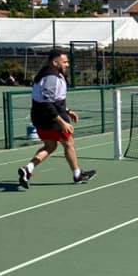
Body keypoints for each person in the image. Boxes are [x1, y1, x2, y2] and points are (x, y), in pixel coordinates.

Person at [18, 49, 96, 188]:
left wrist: (68, 110)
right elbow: (47, 103)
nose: (67, 64)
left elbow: (53, 100)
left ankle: (28, 169)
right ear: (55, 62)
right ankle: (77, 175)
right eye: (65, 62)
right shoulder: (51, 78)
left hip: (41, 117)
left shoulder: (49, 74)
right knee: (69, 144)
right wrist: (62, 122)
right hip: (51, 119)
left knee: (50, 145)